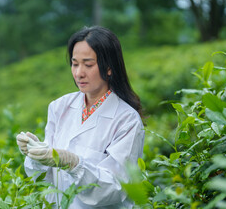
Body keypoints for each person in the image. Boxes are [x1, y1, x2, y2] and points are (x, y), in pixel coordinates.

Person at [16, 26, 145, 208]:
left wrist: (74, 164)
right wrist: (36, 154)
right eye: (75, 64)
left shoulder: (126, 120)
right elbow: (45, 180)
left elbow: (117, 188)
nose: (79, 73)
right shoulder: (59, 107)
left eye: (88, 64)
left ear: (109, 68)